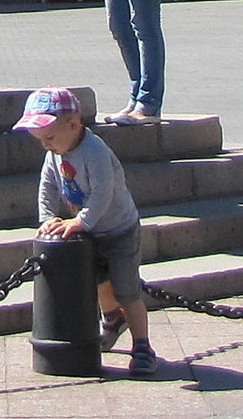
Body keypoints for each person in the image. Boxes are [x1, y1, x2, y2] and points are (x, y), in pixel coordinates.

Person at [12, 87, 157, 376]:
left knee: (127, 290)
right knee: (98, 282)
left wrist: (81, 222)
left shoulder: (95, 151)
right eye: (41, 141)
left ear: (74, 124)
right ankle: (112, 319)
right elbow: (48, 186)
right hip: (91, 232)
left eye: (49, 138)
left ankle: (142, 346)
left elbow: (103, 192)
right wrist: (47, 218)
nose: (47, 146)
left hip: (118, 230)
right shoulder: (56, 152)